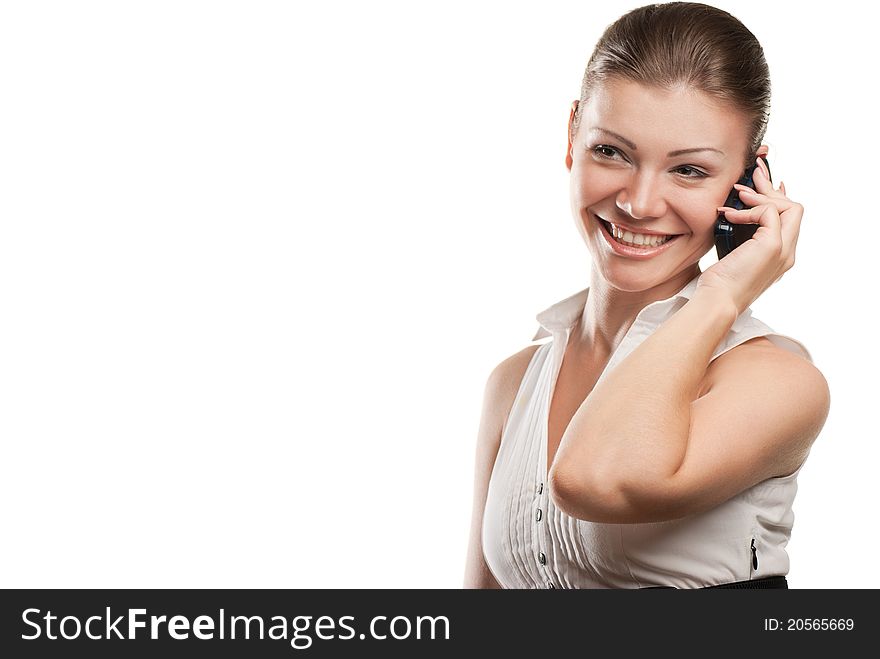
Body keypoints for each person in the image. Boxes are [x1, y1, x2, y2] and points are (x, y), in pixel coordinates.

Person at [463, 1, 831, 589]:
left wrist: (722, 294)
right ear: (572, 135)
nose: (638, 202)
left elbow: (598, 479)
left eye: (688, 170)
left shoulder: (777, 381)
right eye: (611, 151)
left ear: (746, 184)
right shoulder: (514, 383)